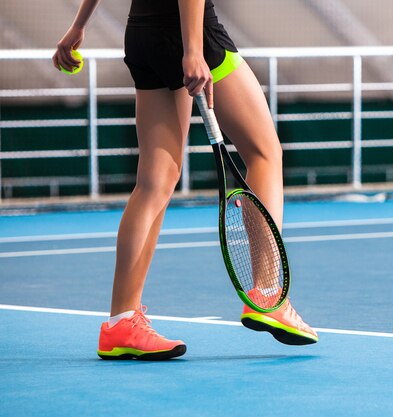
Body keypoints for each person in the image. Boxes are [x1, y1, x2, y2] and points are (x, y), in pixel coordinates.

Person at [53, 0, 318, 360]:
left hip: (142, 34)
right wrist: (194, 49)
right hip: (189, 34)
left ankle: (121, 322)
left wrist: (79, 25)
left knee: (154, 182)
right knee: (265, 152)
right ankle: (268, 294)